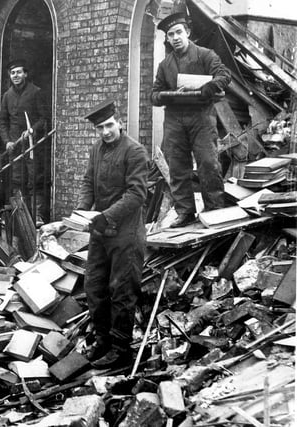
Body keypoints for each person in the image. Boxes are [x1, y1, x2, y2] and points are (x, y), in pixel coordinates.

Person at [76, 100, 148, 369]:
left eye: (109, 125)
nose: (105, 131)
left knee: (121, 290)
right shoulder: (96, 150)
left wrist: (105, 215)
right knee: (94, 286)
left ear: (120, 123)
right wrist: (82, 212)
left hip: (125, 234)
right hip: (100, 231)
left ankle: (120, 350)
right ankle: (103, 340)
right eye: (100, 128)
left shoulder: (135, 152)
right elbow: (87, 181)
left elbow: (136, 194)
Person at [151, 12, 231, 228]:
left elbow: (224, 76)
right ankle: (185, 212)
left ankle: (214, 210)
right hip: (175, 119)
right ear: (167, 39)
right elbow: (155, 93)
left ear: (187, 32)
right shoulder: (165, 65)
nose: (175, 37)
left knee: (208, 163)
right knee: (177, 167)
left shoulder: (206, 55)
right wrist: (165, 96)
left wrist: (207, 88)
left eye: (179, 32)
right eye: (171, 34)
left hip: (201, 118)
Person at [0, 58, 49, 219]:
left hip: (32, 145)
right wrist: (7, 140)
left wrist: (32, 130)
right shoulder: (7, 96)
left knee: (35, 178)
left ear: (25, 74)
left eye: (19, 72)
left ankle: (38, 215)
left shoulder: (36, 92)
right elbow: (2, 121)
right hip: (15, 145)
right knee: (17, 179)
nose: (16, 75)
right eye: (13, 73)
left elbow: (43, 119)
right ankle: (20, 214)